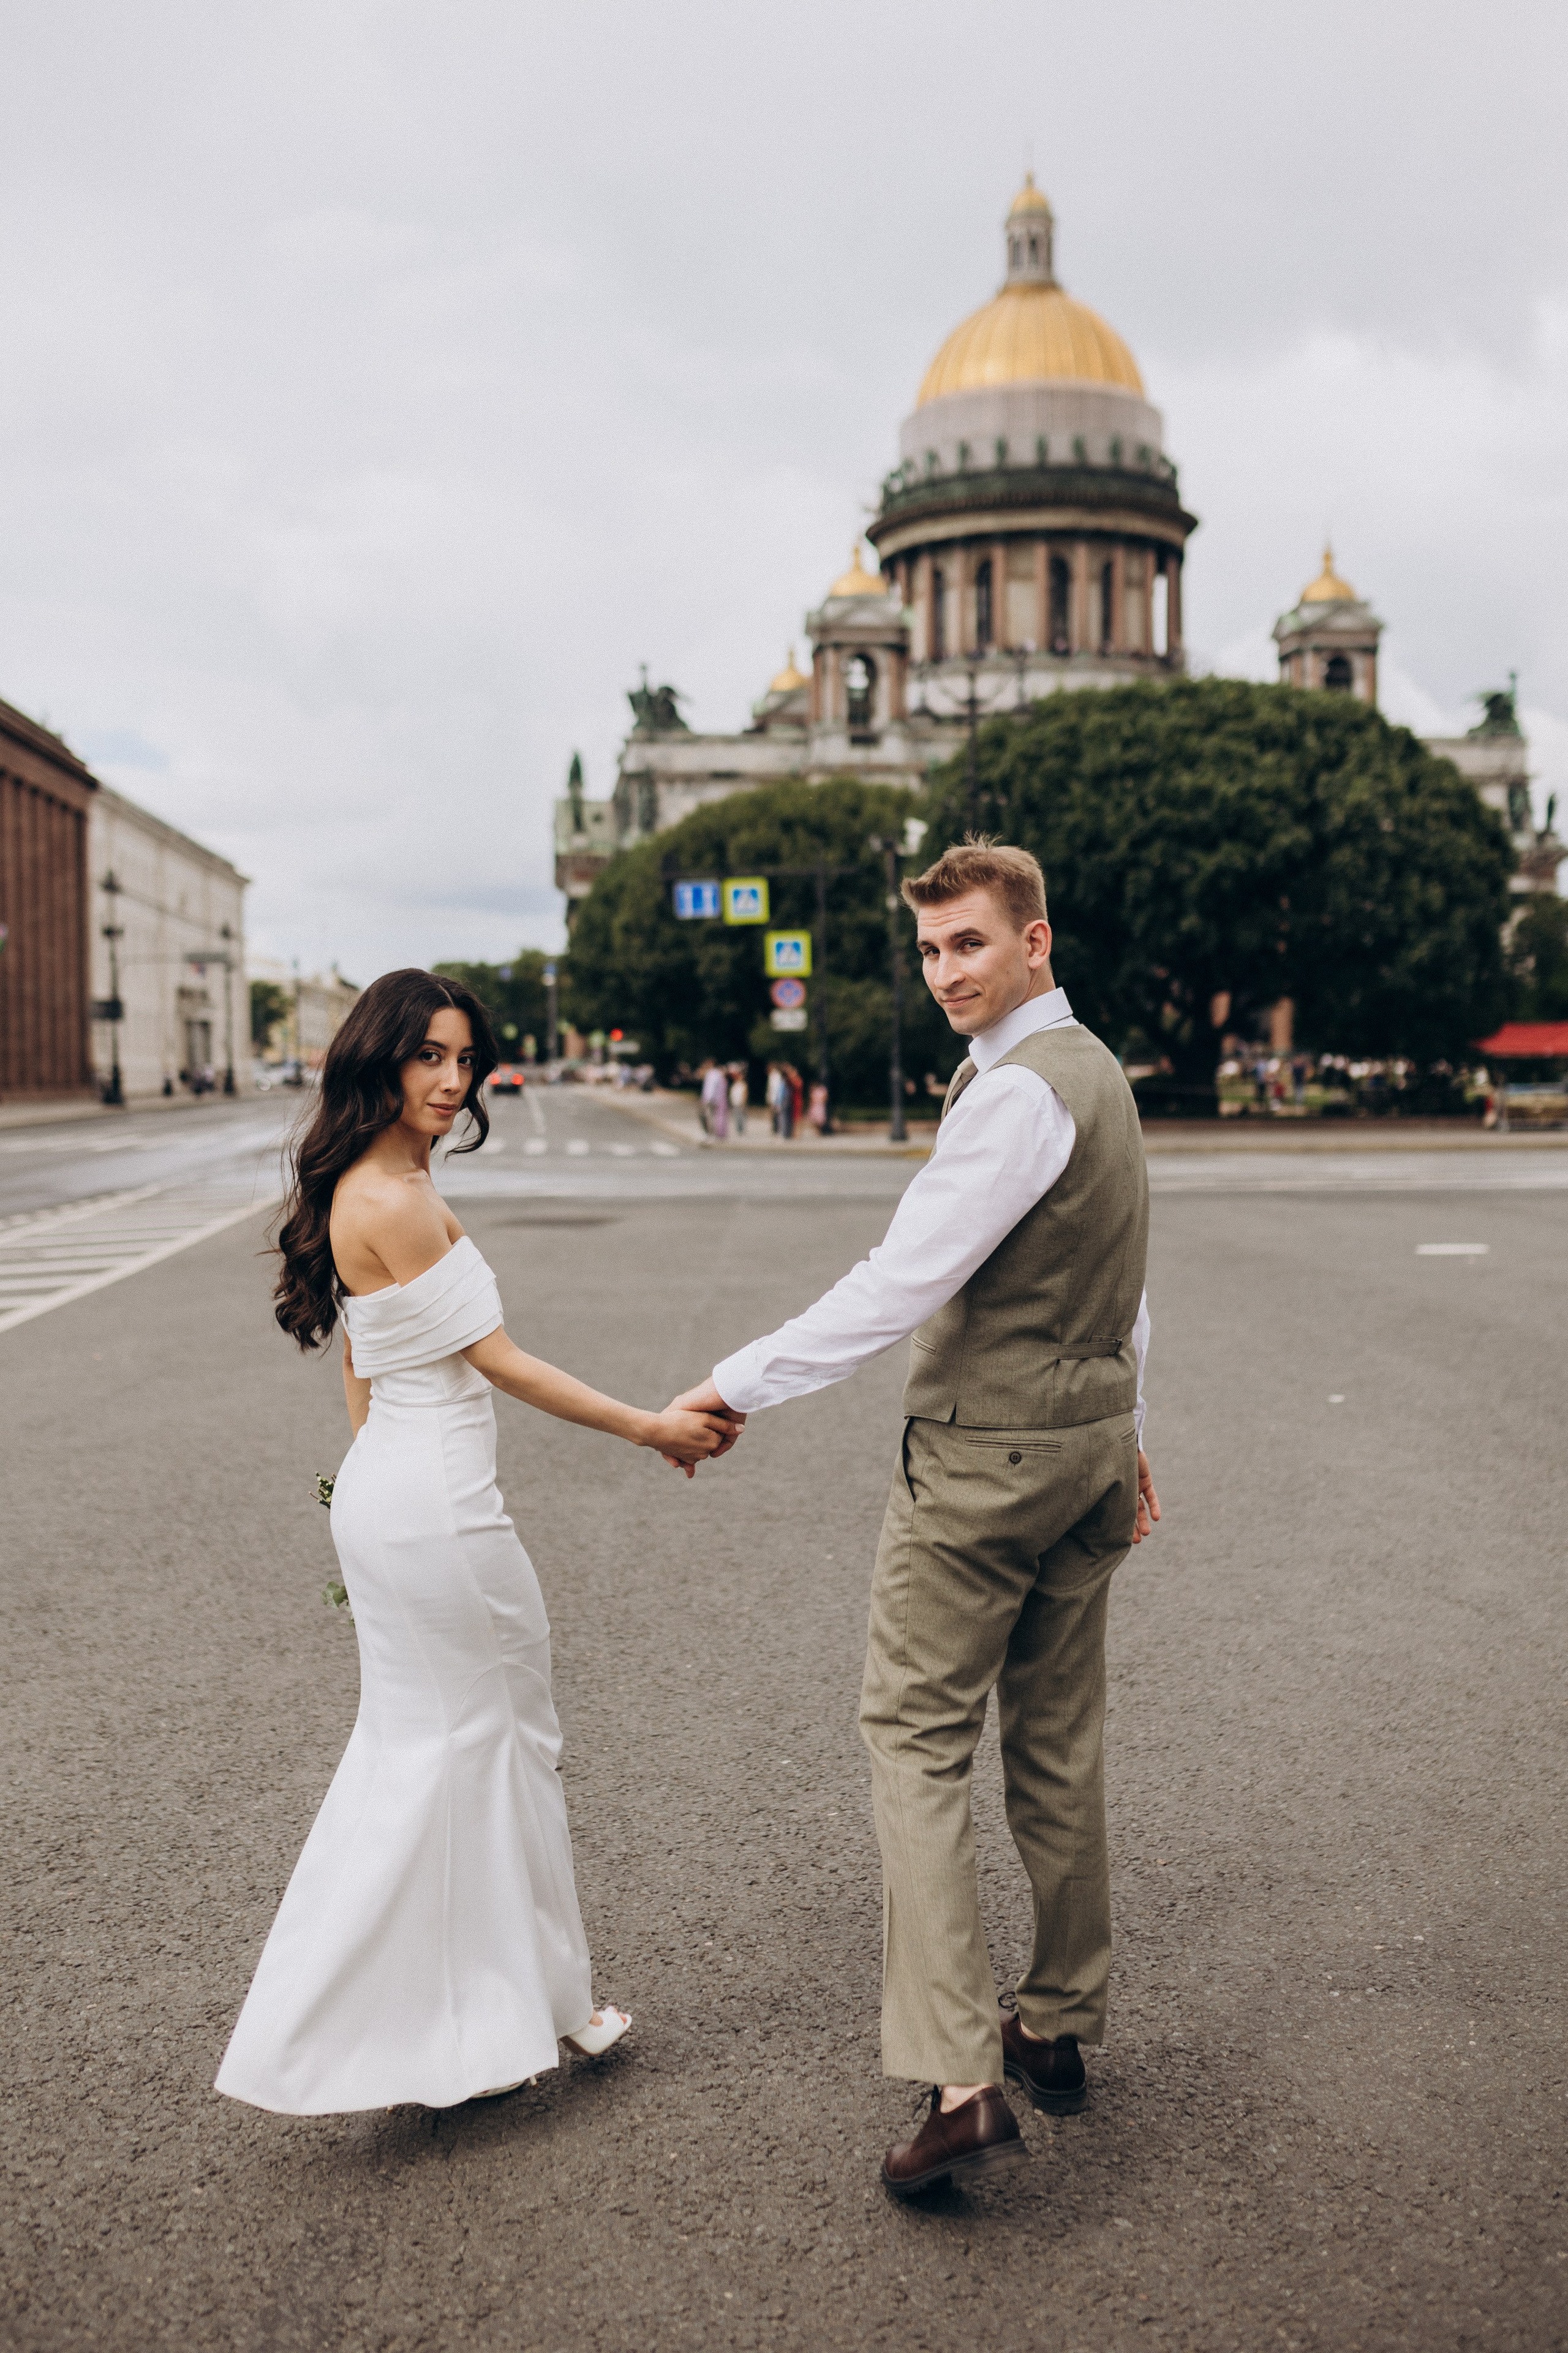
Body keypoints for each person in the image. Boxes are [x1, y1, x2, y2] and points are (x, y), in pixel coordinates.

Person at [669, 842, 1158, 2198]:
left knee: (914, 1737)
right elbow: (1125, 1281)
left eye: (969, 943)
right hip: (1086, 1452)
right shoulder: (1098, 1074)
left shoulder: (1015, 1096)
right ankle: (1055, 2023)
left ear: (1035, 941)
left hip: (985, 1460)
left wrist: (734, 1383)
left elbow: (902, 1281)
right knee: (1056, 1741)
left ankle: (960, 2078)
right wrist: (1132, 1434)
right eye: (931, 949)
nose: (945, 971)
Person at [214, 969, 737, 2115]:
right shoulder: (395, 1198)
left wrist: (368, 1490)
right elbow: (501, 1362)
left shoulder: (371, 1180)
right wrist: (652, 1426)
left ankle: (500, 2008)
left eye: (464, 1059)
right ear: (380, 1059)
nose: (453, 1080)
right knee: (494, 1741)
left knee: (439, 1748)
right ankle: (513, 2007)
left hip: (396, 1497)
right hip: (437, 1509)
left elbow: (366, 1357)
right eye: (429, 1057)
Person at [699, 1058, 729, 1140]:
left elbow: (712, 1088)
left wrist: (708, 1099)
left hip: (711, 1099)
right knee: (708, 1116)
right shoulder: (713, 1073)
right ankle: (710, 1133)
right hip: (711, 1099)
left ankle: (710, 1134)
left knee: (709, 1117)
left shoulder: (713, 1074)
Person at [728, 1064, 749, 1137]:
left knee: (741, 1117)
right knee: (736, 1116)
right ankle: (738, 1129)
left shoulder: (743, 1085)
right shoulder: (735, 1084)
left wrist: (743, 1103)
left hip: (740, 1103)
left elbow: (745, 1094)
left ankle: (741, 1130)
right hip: (735, 1102)